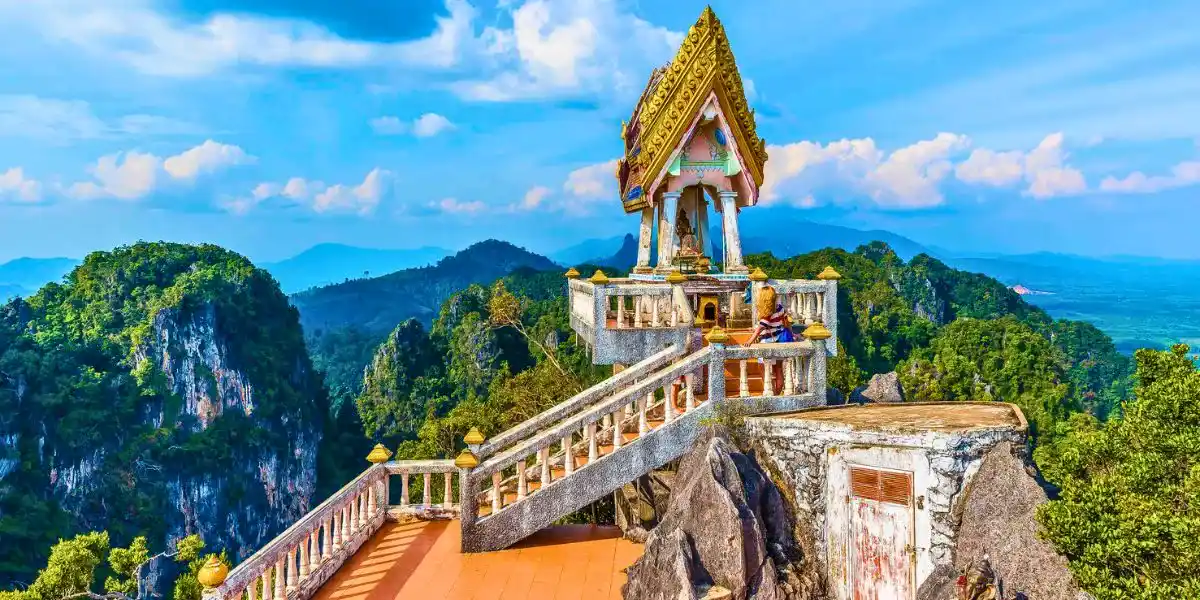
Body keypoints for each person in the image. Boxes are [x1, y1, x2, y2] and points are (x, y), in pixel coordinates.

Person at [744, 285, 789, 392]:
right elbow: (786, 322)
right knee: (778, 369)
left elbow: (760, 328)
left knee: (762, 367)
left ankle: (770, 390)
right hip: (780, 340)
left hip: (767, 341)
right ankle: (778, 392)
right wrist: (793, 334)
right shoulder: (779, 307)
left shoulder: (767, 313)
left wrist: (750, 341)